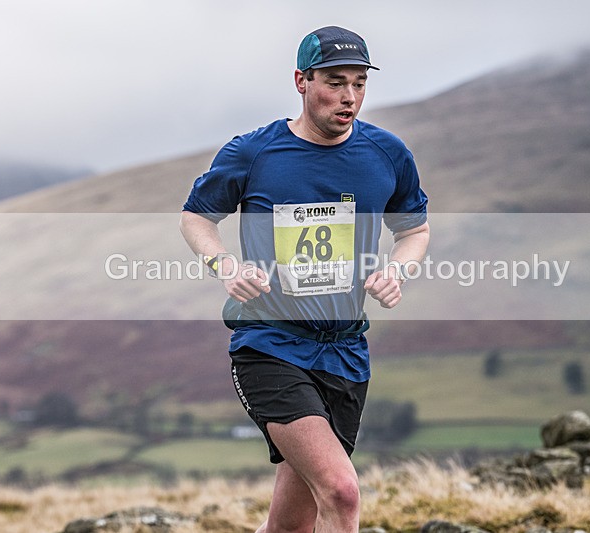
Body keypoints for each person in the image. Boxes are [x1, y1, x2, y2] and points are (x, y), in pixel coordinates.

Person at [180, 25, 429, 533]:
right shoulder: (254, 153)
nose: (350, 97)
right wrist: (225, 266)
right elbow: (196, 218)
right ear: (301, 81)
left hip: (346, 353)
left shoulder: (387, 154)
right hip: (269, 345)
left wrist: (396, 271)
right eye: (335, 82)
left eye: (359, 83)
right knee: (341, 492)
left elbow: (415, 230)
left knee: (292, 523)